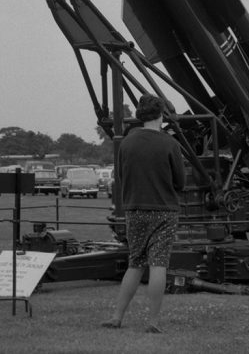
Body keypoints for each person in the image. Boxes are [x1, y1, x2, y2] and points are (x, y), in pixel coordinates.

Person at [101, 94, 185, 333]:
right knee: (158, 264)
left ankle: (117, 317)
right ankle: (153, 321)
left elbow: (120, 176)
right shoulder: (170, 144)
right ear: (161, 115)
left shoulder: (126, 142)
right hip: (164, 210)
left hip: (134, 209)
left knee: (135, 263)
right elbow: (180, 181)